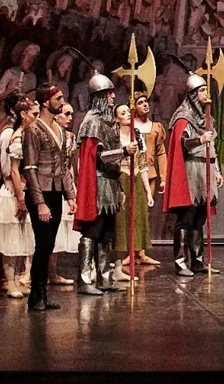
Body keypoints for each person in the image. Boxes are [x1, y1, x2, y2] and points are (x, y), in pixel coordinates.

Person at [22, 84, 76, 310]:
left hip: (55, 191)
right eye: (58, 98)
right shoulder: (33, 130)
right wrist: (40, 202)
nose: (62, 102)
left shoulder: (59, 129)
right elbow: (30, 168)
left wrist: (70, 195)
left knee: (49, 244)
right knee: (43, 243)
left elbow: (63, 166)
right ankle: (36, 295)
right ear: (45, 102)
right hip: (40, 192)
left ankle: (41, 295)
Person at [163, 73, 223, 278]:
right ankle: (181, 262)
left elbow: (212, 147)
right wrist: (199, 139)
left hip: (206, 170)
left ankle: (197, 261)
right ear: (192, 94)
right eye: (202, 90)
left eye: (206, 89)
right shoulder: (183, 117)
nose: (206, 94)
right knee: (186, 218)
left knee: (199, 219)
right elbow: (183, 143)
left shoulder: (206, 118)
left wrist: (217, 170)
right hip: (190, 171)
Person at [73, 71, 125, 295]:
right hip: (97, 184)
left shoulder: (109, 123)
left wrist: (119, 186)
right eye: (108, 94)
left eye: (112, 93)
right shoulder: (93, 123)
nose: (113, 97)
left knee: (106, 234)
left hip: (110, 184)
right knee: (92, 232)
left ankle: (104, 278)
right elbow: (98, 157)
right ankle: (85, 279)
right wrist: (123, 152)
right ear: (99, 97)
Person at [0, 96, 37, 299]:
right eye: (33, 114)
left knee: (22, 239)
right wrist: (20, 197)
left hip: (24, 189)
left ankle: (18, 279)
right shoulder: (11, 135)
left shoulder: (24, 134)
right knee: (11, 239)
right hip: (13, 191)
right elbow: (10, 168)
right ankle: (10, 282)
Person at [113, 104, 153, 282]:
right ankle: (116, 266)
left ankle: (127, 262)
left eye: (128, 112)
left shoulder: (137, 135)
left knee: (135, 220)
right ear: (116, 118)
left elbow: (142, 164)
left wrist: (148, 191)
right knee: (120, 223)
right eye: (123, 113)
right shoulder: (114, 136)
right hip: (120, 178)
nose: (127, 115)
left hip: (135, 180)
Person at [49, 102, 79, 285]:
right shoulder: (48, 134)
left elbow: (70, 165)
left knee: (60, 229)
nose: (70, 118)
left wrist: (72, 190)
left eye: (71, 114)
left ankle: (52, 273)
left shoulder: (70, 137)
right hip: (49, 183)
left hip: (65, 183)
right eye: (66, 114)